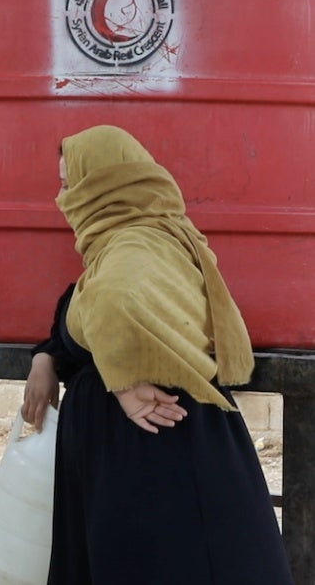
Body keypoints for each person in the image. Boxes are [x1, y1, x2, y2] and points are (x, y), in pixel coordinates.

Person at [21, 125, 294, 584]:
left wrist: (124, 382)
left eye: (70, 185)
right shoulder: (134, 241)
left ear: (104, 185)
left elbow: (111, 303)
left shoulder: (138, 245)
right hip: (135, 448)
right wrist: (45, 358)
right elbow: (83, 316)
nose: (60, 198)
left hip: (152, 449)